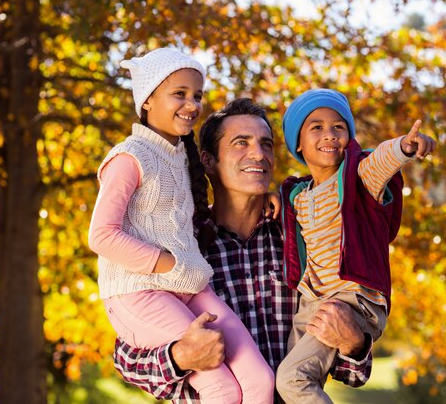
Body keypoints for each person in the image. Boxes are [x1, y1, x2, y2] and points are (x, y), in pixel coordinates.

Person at [113, 98, 375, 403]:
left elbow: (353, 372)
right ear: (209, 161)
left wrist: (354, 343)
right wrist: (181, 356)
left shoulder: (300, 238)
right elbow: (126, 358)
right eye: (241, 143)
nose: (258, 154)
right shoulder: (180, 246)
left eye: (266, 144)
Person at [88, 48, 274, 404]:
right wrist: (169, 264)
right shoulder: (129, 157)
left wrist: (279, 192)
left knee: (259, 381)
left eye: (197, 95)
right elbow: (101, 235)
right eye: (180, 93)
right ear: (147, 101)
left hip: (187, 282)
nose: (192, 104)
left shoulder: (179, 157)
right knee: (221, 388)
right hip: (139, 290)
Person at [276, 88, 437, 403]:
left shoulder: (357, 177)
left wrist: (404, 146)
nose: (330, 134)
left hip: (350, 299)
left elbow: (380, 160)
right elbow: (288, 210)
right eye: (317, 127)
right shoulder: (299, 195)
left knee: (293, 379)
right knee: (287, 387)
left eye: (339, 127)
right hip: (312, 298)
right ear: (297, 143)